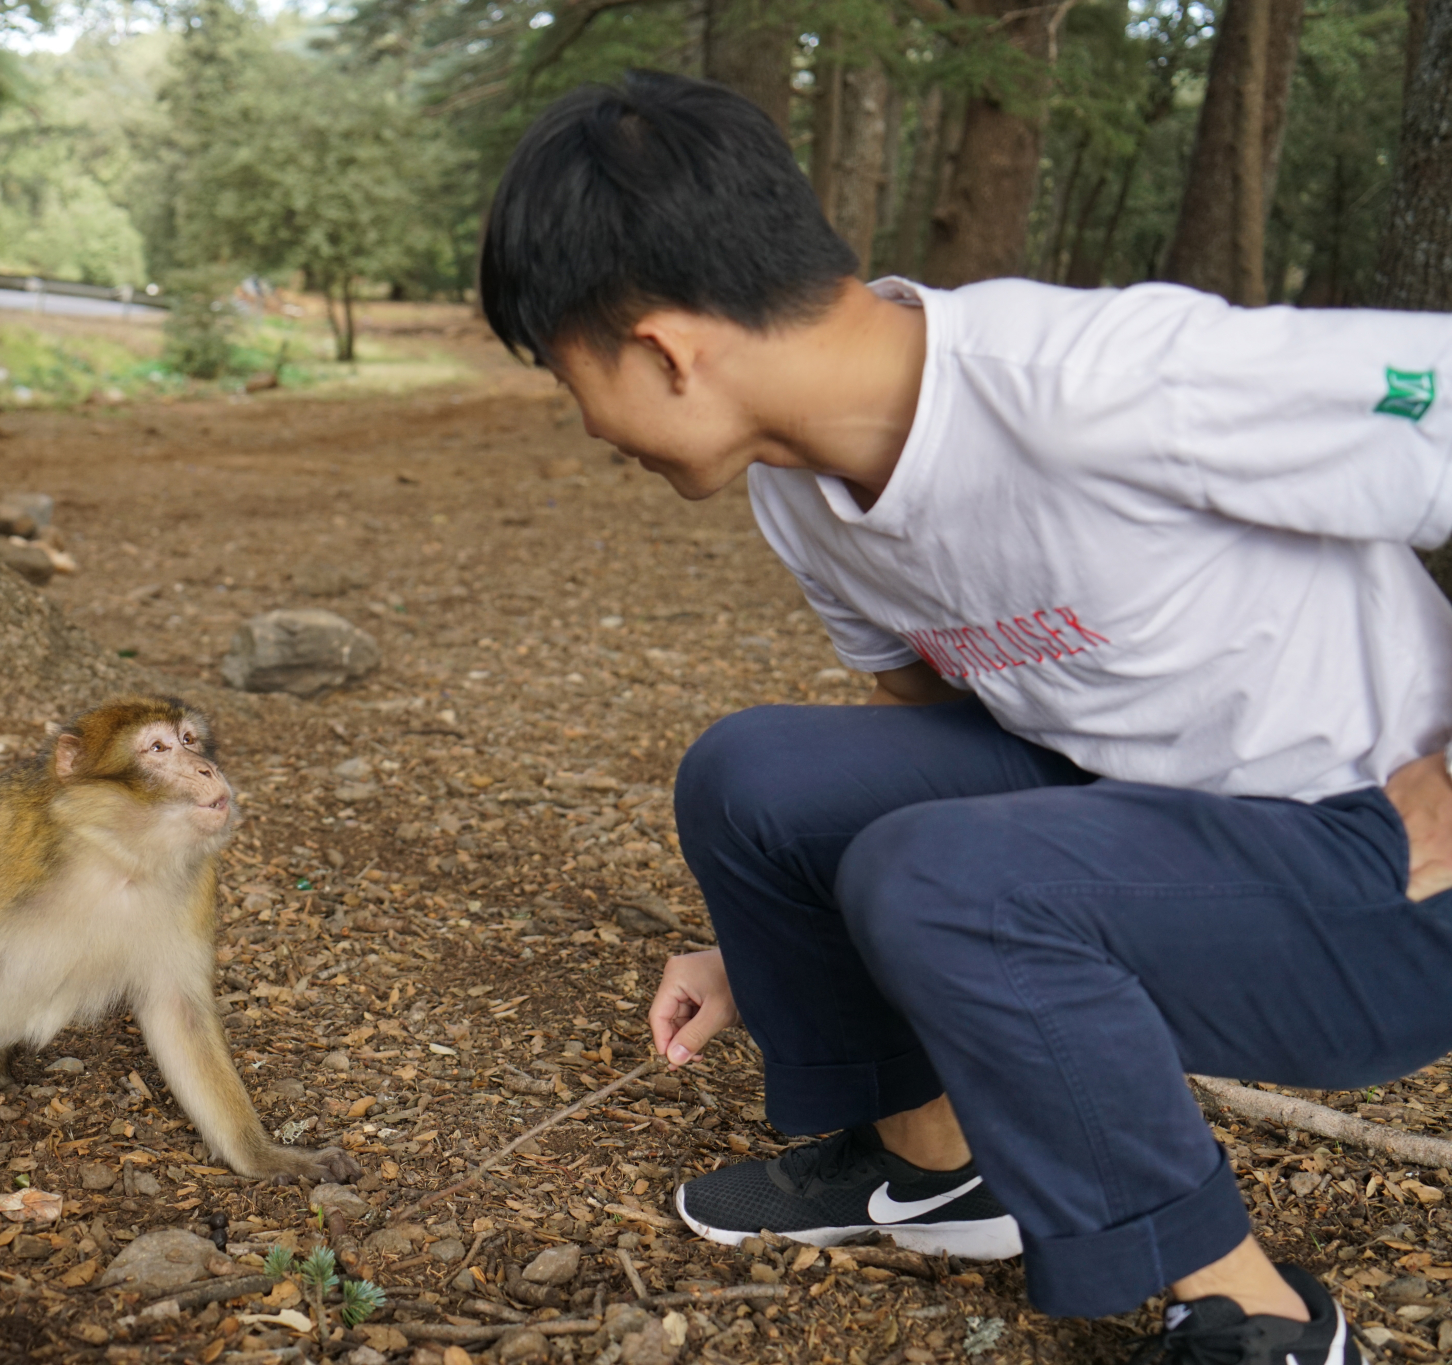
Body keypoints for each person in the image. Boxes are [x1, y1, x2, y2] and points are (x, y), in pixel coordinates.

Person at [477, 68, 1452, 1364]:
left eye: (568, 374)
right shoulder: (801, 492)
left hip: (1381, 875)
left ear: (663, 346)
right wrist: (780, 946)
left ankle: (1255, 1314)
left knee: (941, 881)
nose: (590, 426)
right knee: (753, 779)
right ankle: (935, 1166)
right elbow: (941, 720)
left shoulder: (1100, 382)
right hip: (1144, 819)